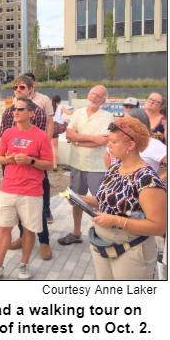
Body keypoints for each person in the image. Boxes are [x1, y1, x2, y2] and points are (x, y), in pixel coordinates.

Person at [72, 116, 166, 280]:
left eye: (114, 142)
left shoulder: (148, 180)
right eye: (109, 140)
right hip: (102, 243)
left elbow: (158, 227)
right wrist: (79, 198)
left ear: (131, 145)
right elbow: (107, 202)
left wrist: (117, 221)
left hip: (132, 248)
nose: (108, 145)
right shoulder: (115, 168)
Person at [0, 98, 53, 280]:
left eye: (20, 109)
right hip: (8, 189)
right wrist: (9, 159)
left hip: (31, 191)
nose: (15, 112)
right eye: (14, 109)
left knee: (28, 230)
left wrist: (30, 161)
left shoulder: (41, 136)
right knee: (4, 229)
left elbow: (49, 164)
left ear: (31, 113)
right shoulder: (8, 134)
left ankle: (24, 265)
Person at [0, 76, 52, 260]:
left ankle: (44, 241)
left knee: (37, 207)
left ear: (31, 88)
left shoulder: (40, 109)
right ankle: (22, 237)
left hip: (33, 169)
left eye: (21, 86)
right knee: (16, 207)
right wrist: (6, 158)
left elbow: (42, 137)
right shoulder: (8, 112)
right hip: (12, 171)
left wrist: (30, 159)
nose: (18, 89)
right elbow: (3, 138)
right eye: (15, 87)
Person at [58, 85, 114, 246]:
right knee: (76, 199)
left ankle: (102, 234)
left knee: (100, 201)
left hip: (97, 167)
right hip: (76, 164)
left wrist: (77, 140)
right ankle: (76, 233)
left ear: (103, 101)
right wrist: (92, 139)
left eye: (99, 96)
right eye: (92, 93)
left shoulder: (107, 117)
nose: (94, 97)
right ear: (88, 94)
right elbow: (68, 134)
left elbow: (102, 142)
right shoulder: (78, 112)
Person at [23, 73, 55, 224]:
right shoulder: (18, 100)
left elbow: (50, 121)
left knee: (43, 179)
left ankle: (46, 209)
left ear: (32, 85)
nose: (19, 88)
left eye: (23, 85)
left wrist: (47, 141)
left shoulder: (43, 99)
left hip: (39, 144)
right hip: (23, 146)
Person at [104, 108, 167, 183]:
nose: (122, 124)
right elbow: (107, 153)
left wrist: (156, 181)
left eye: (127, 122)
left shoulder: (153, 144)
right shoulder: (118, 141)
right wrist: (111, 172)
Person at [51, 95, 77, 171]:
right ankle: (69, 138)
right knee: (68, 121)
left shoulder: (49, 107)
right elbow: (68, 113)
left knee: (52, 147)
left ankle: (54, 165)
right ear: (59, 101)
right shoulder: (60, 106)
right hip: (59, 127)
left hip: (50, 128)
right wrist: (74, 109)